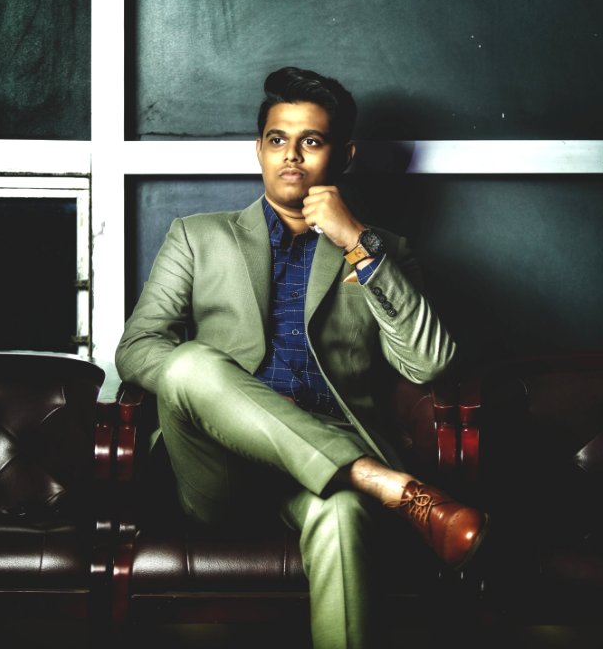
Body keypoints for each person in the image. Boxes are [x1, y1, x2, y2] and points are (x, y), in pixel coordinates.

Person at [116, 66, 488, 649]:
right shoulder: (197, 235)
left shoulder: (383, 249)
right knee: (188, 363)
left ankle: (360, 482)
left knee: (342, 518)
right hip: (217, 470)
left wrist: (358, 242)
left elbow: (431, 365)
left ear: (344, 155)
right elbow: (137, 348)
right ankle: (383, 482)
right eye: (277, 139)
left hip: (321, 477)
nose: (292, 155)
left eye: (311, 141)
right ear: (259, 150)